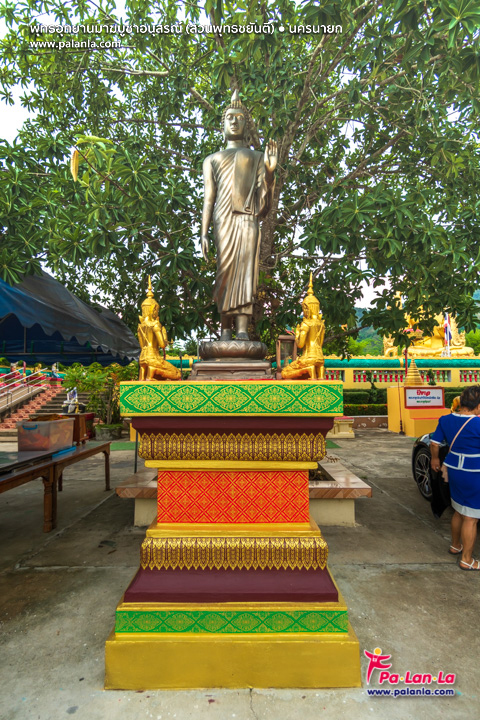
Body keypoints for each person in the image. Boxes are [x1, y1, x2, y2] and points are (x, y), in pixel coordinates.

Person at [201, 89, 277, 340]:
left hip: (247, 220)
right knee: (225, 272)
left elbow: (264, 202)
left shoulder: (257, 157)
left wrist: (269, 173)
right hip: (223, 220)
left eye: (240, 118)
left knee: (244, 273)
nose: (234, 122)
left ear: (247, 125)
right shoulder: (212, 159)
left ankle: (242, 330)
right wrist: (203, 233)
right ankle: (225, 330)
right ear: (222, 125)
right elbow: (209, 198)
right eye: (229, 118)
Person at [430, 385, 480, 570]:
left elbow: (434, 443)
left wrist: (435, 459)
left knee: (459, 510)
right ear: (478, 405)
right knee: (471, 517)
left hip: (453, 470)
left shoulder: (446, 419)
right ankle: (467, 560)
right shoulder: (478, 423)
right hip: (474, 472)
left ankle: (455, 545)